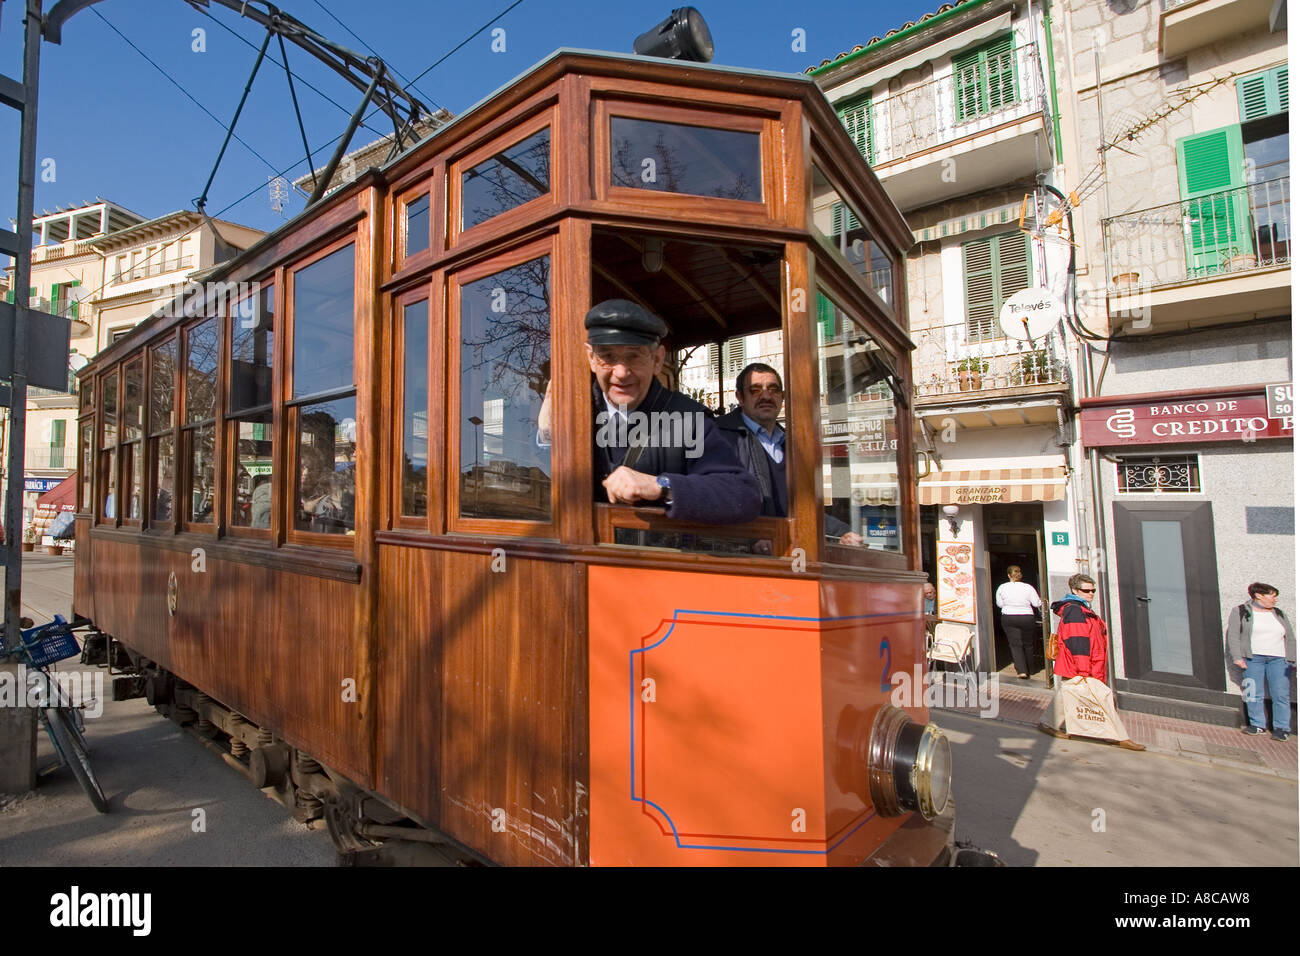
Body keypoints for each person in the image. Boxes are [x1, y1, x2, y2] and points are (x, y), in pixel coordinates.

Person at [538, 300, 760, 524]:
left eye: (634, 356)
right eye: (608, 356)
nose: (622, 372)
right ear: (591, 359)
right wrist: (547, 436)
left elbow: (743, 495)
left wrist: (660, 486)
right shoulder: (573, 410)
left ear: (657, 360)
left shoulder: (689, 419)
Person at [713, 362, 861, 544]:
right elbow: (712, 503)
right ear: (740, 397)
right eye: (755, 390)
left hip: (789, 556)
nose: (766, 396)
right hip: (741, 560)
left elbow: (804, 509)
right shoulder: (718, 436)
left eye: (774, 390)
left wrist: (841, 533)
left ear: (782, 397)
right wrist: (751, 540)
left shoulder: (792, 445)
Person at [1039, 573, 1145, 751]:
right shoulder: (1075, 610)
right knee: (1103, 698)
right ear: (1074, 590)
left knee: (1066, 694)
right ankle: (1118, 736)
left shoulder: (1081, 608)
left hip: (1085, 663)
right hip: (1083, 664)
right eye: (1086, 590)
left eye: (1093, 590)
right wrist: (1083, 668)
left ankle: (1047, 724)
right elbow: (1077, 640)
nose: (1091, 594)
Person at [1226, 582, 1294, 741]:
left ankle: (1282, 728)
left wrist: (1293, 658)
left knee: (1280, 693)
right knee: (1252, 692)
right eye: (1272, 596)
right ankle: (1257, 725)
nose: (1275, 600)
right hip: (1252, 658)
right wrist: (1237, 657)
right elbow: (1233, 635)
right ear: (1259, 596)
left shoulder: (1279, 613)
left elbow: (1290, 637)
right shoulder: (1241, 611)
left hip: (1279, 659)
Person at [996, 565, 1043, 680]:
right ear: (1020, 575)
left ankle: (1022, 671)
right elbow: (1037, 603)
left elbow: (1000, 604)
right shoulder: (1028, 587)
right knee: (1028, 644)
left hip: (1009, 617)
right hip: (1026, 617)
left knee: (1015, 644)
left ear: (1008, 575)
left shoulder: (1002, 587)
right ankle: (1031, 669)